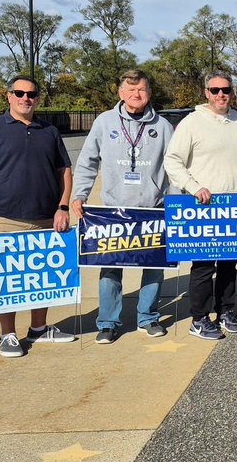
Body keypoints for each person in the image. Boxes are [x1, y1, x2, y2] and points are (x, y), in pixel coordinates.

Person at [0, 75, 76, 358]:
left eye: (32, 94)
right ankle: (8, 334)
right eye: (20, 93)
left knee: (43, 279)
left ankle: (39, 328)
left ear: (38, 99)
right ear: (9, 97)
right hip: (3, 217)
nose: (26, 98)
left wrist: (62, 207)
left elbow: (64, 170)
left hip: (45, 218)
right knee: (8, 280)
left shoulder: (48, 131)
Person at [71, 70, 174, 344]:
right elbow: (87, 161)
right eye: (130, 90)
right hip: (112, 212)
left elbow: (174, 167)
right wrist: (78, 194)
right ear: (120, 93)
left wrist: (174, 201)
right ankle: (107, 322)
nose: (135, 95)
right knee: (110, 269)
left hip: (152, 210)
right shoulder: (105, 122)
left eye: (140, 90)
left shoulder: (163, 126)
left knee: (153, 266)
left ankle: (148, 318)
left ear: (149, 93)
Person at [164, 73, 237, 341]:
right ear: (206, 93)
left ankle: (225, 311)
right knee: (203, 267)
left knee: (228, 264)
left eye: (225, 89)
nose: (221, 94)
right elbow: (172, 160)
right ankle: (199, 319)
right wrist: (194, 188)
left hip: (234, 207)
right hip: (204, 207)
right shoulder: (192, 122)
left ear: (232, 92)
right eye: (215, 90)